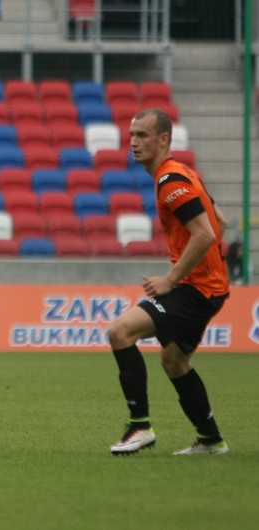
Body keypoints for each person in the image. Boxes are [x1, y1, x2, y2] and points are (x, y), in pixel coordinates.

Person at [108, 108, 230, 456]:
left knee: (120, 332)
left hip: (195, 288)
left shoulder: (170, 181)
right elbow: (219, 220)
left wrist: (173, 278)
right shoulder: (183, 173)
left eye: (142, 135)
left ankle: (140, 426)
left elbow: (205, 233)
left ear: (164, 139)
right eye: (131, 135)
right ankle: (210, 440)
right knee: (174, 361)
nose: (133, 142)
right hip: (210, 286)